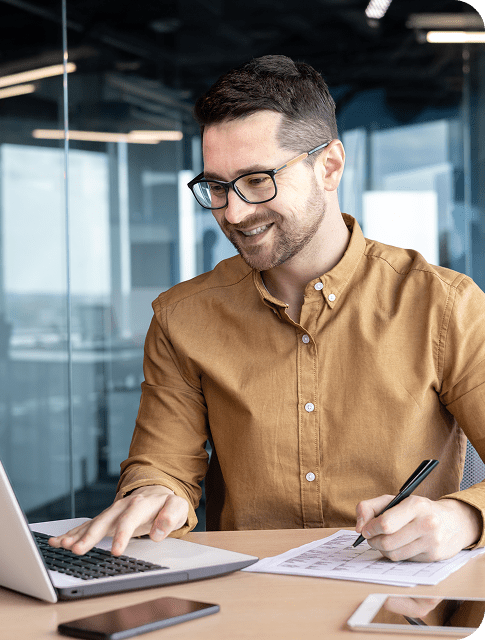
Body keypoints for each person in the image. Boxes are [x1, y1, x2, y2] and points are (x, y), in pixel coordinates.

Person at [50, 55, 485, 563]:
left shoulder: (445, 307)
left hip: (402, 605)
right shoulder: (181, 317)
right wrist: (154, 491)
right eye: (216, 186)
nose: (233, 212)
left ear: (330, 166)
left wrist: (463, 518)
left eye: (258, 180)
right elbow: (161, 464)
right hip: (246, 601)